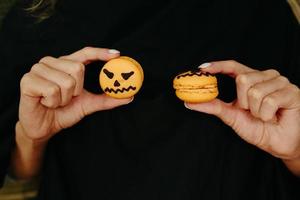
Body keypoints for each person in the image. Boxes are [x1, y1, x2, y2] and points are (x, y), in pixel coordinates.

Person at [0, 0, 299, 199]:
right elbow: (19, 171)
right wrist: (31, 136)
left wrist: (295, 151)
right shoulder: (38, 15)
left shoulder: (265, 13)